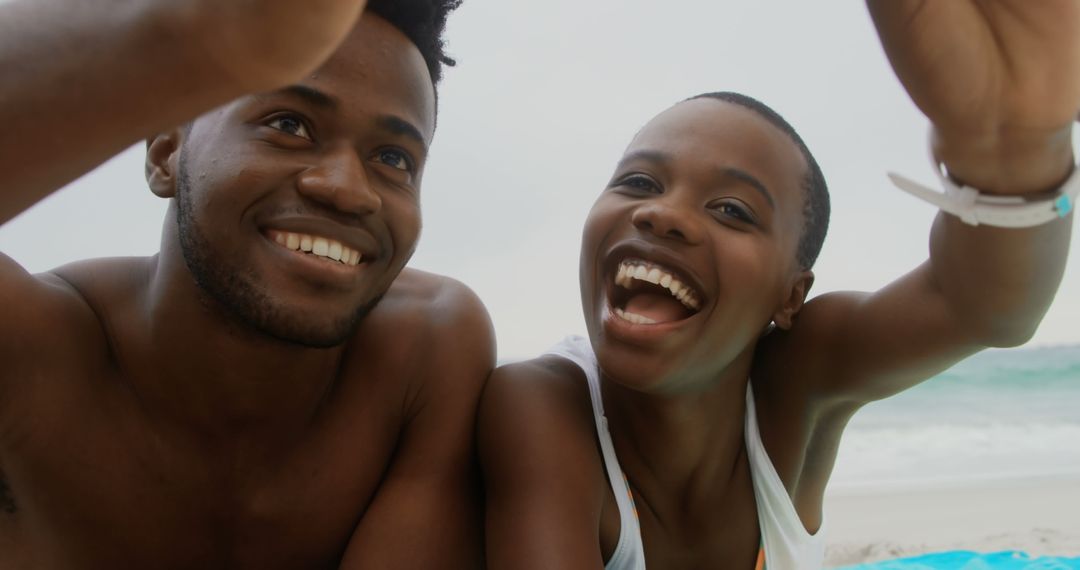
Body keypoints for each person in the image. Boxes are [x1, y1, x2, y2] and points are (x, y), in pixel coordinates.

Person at [478, 1, 1079, 568]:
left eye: (732, 211)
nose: (664, 214)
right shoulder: (542, 407)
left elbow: (980, 307)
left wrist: (1013, 153)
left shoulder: (797, 386)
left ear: (792, 296)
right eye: (638, 182)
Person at [0, 0, 494, 568]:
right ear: (167, 153)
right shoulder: (31, 351)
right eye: (289, 125)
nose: (348, 189)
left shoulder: (426, 350)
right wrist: (203, 28)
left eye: (393, 158)